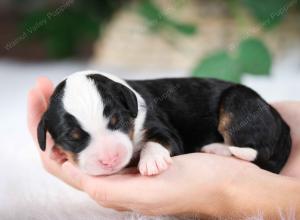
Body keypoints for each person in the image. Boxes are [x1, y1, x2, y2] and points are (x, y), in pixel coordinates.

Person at [27, 77, 300, 219]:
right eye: (75, 139)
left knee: (239, 109)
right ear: (48, 134)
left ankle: (253, 151)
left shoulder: (138, 106)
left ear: (128, 106)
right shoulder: (119, 102)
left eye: (116, 124)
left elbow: (167, 139)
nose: (109, 155)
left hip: (233, 102)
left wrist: (153, 149)